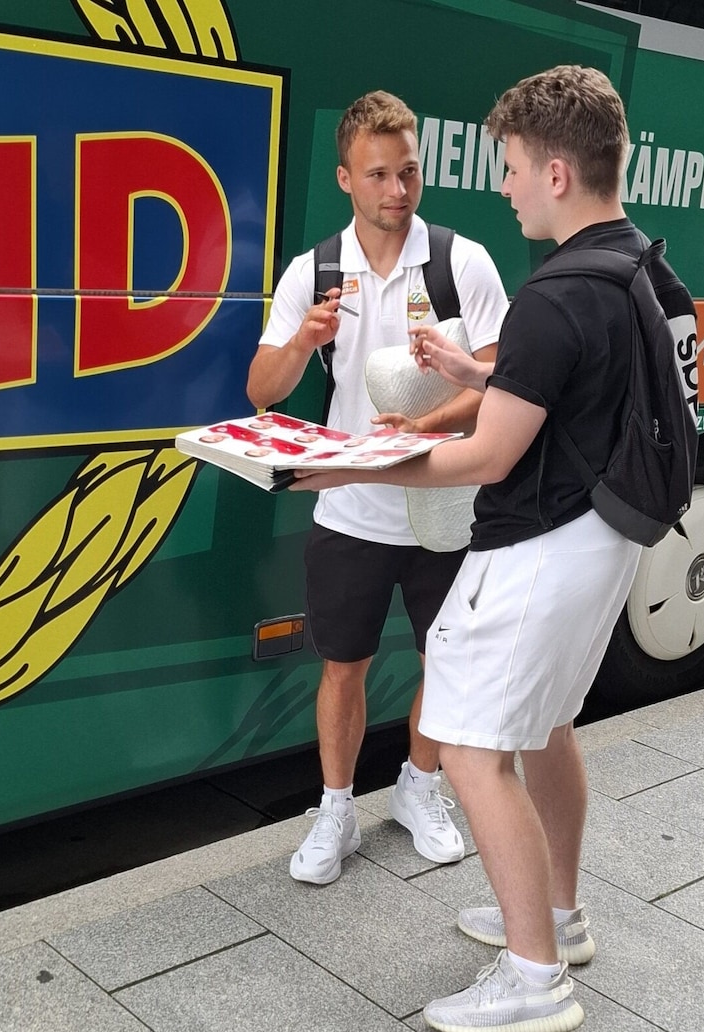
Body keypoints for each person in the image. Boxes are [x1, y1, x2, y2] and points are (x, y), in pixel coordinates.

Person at [290, 65, 695, 1032]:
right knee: (546, 726)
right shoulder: (639, 263)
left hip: (537, 548)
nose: (503, 184)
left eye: (511, 165)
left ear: (556, 171)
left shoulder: (558, 289)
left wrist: (340, 470)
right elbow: (571, 381)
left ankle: (532, 974)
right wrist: (474, 367)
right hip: (602, 542)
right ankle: (557, 912)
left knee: (470, 749)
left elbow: (487, 452)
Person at [246, 90, 508, 885]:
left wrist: (431, 427)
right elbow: (262, 389)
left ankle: (418, 789)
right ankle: (335, 810)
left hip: (445, 504)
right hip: (350, 507)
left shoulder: (463, 261)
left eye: (409, 171)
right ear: (345, 179)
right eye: (379, 174)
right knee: (343, 666)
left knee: (448, 661)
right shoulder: (315, 271)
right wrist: (302, 340)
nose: (398, 189)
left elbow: (503, 377)